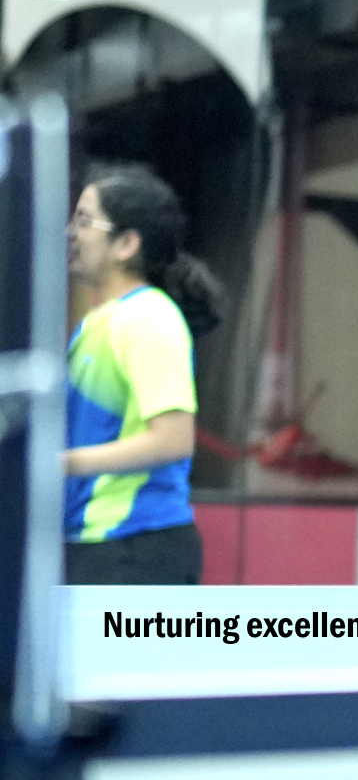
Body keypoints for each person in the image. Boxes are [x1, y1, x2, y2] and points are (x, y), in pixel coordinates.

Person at [64, 165, 225, 585]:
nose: (70, 232)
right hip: (94, 544)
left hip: (135, 548)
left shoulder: (149, 318)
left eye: (84, 221)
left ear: (126, 244)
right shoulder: (97, 323)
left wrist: (60, 463)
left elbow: (172, 439)